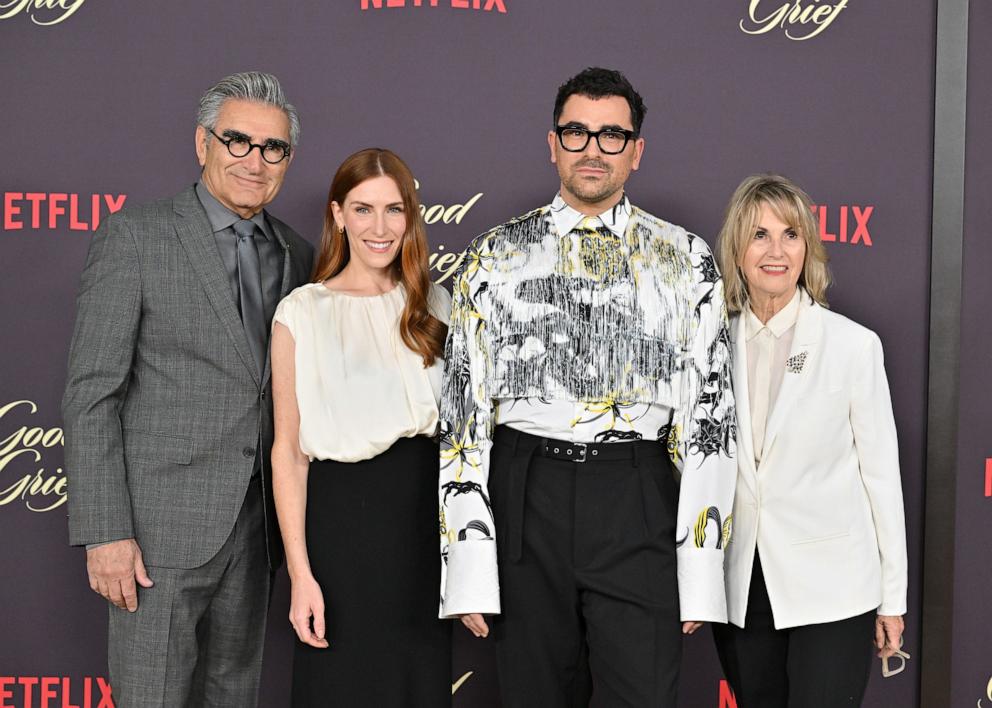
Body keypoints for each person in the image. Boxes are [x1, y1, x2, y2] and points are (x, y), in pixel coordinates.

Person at [437, 67, 737, 707]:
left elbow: (711, 420)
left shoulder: (685, 259)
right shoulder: (494, 255)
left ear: (636, 151)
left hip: (638, 496)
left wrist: (702, 567)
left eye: (611, 135)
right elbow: (463, 419)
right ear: (552, 144)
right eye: (576, 132)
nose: (593, 149)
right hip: (526, 494)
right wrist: (465, 564)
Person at [62, 72, 314, 707]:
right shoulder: (137, 238)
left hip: (259, 535)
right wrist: (105, 532)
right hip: (154, 538)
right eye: (238, 141)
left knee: (237, 695)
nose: (255, 161)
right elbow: (92, 394)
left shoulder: (300, 255)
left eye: (274, 148)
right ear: (202, 143)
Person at [711, 173, 908, 707]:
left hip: (836, 588)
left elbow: (881, 478)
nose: (776, 251)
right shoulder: (707, 345)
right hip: (741, 586)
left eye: (790, 234)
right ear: (736, 248)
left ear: (808, 248)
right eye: (759, 235)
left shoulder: (852, 346)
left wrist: (892, 597)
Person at [271, 148, 453, 707]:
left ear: (410, 217)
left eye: (394, 210)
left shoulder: (438, 305)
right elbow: (288, 453)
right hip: (341, 530)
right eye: (363, 209)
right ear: (337, 215)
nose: (380, 227)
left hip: (426, 526)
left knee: (416, 685)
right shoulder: (301, 311)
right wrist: (301, 575)